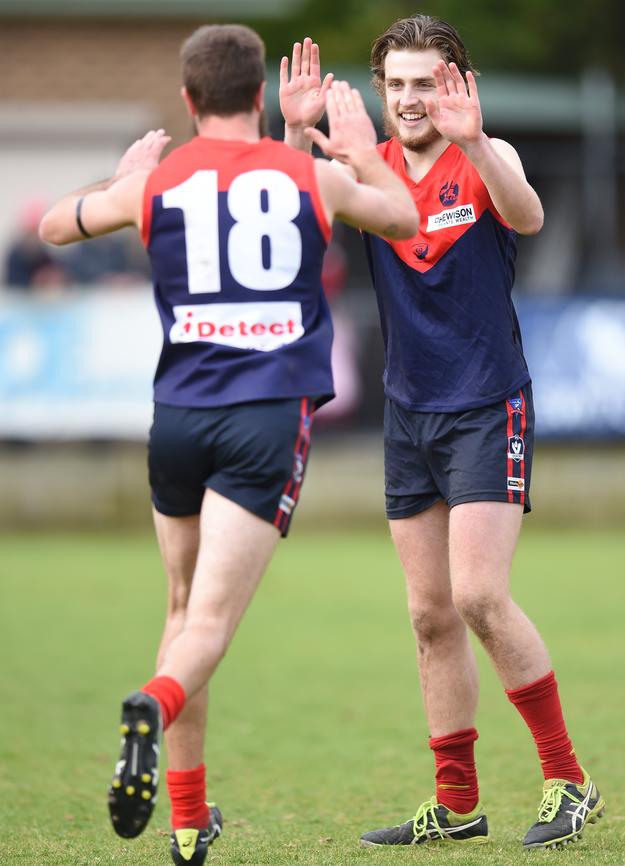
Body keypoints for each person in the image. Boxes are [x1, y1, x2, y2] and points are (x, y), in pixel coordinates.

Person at [39, 23, 418, 866]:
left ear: (186, 100)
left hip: (176, 418)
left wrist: (126, 178)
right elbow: (402, 216)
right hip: (263, 419)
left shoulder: (161, 182)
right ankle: (150, 703)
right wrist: (354, 146)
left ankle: (185, 824)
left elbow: (58, 230)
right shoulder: (311, 176)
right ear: (258, 94)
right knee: (206, 626)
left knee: (180, 612)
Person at [280, 16, 604, 851]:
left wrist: (481, 142)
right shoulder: (370, 170)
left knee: (479, 598)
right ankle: (457, 805)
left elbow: (526, 217)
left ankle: (570, 781)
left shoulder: (489, 158)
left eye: (426, 82)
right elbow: (290, 212)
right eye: (396, 85)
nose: (410, 99)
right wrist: (295, 131)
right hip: (407, 413)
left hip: (488, 404)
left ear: (458, 83)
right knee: (429, 616)